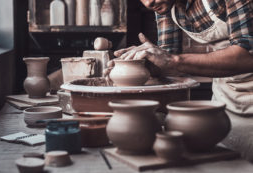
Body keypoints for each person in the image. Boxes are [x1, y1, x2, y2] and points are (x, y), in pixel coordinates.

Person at [105, 0, 253, 118]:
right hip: (226, 93)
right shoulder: (166, 5)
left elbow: (247, 57)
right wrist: (144, 64)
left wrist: (173, 61)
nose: (148, 3)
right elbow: (167, 63)